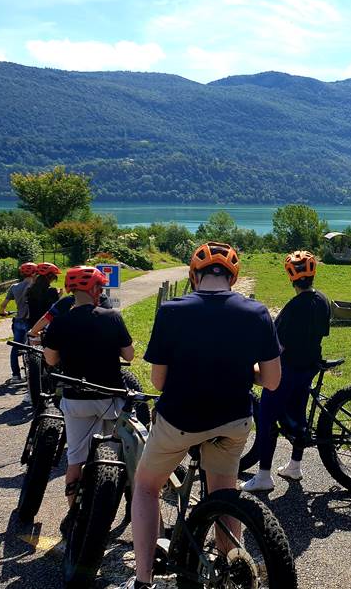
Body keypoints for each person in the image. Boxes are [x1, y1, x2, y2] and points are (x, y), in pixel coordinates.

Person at [121, 242, 281, 589]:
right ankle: (230, 568)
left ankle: (143, 579)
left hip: (180, 421)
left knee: (147, 488)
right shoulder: (257, 313)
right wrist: (242, 370)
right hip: (233, 421)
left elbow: (158, 381)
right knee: (225, 494)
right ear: (233, 278)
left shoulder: (172, 310)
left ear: (194, 275)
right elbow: (271, 381)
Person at [41, 266, 134, 532]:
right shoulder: (112, 317)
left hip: (76, 399)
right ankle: (120, 499)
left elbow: (50, 359)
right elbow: (129, 356)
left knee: (75, 459)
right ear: (94, 290)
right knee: (115, 455)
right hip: (109, 399)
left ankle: (75, 515)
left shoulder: (61, 322)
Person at [241, 250, 331, 492]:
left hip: (288, 369)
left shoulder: (292, 308)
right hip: (310, 366)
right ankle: (295, 466)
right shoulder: (323, 300)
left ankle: (263, 476)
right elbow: (321, 332)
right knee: (298, 413)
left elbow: (276, 344)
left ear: (292, 278)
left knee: (268, 416)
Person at [27, 266, 111, 340]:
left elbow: (47, 318)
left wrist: (33, 332)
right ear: (97, 288)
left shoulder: (65, 302)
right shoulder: (104, 300)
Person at [0, 262, 37, 383]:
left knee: (16, 347)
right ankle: (33, 374)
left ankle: (16, 375)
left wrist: (3, 312)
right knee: (32, 347)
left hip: (18, 320)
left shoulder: (14, 287)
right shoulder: (35, 286)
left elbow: (3, 305)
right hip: (30, 320)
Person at [26, 262, 61, 330]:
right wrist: (59, 295)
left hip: (32, 324)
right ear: (50, 277)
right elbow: (54, 308)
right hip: (45, 324)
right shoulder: (52, 291)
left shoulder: (30, 289)